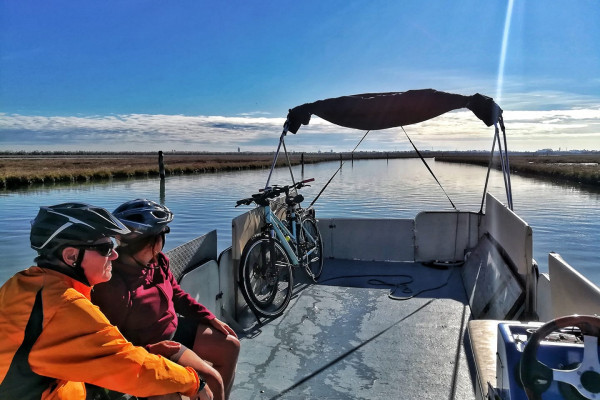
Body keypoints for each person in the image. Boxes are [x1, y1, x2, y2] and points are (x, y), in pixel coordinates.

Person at [0, 202, 212, 400]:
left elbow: (114, 357)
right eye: (104, 249)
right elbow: (131, 367)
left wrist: (145, 352)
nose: (114, 256)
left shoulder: (22, 283)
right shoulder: (66, 305)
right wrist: (194, 383)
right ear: (71, 256)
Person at [91, 199, 240, 400]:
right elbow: (112, 343)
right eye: (163, 234)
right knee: (203, 384)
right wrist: (148, 351)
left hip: (173, 330)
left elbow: (177, 294)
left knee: (230, 346)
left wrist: (209, 318)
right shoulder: (113, 285)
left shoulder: (157, 261)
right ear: (151, 241)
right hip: (148, 350)